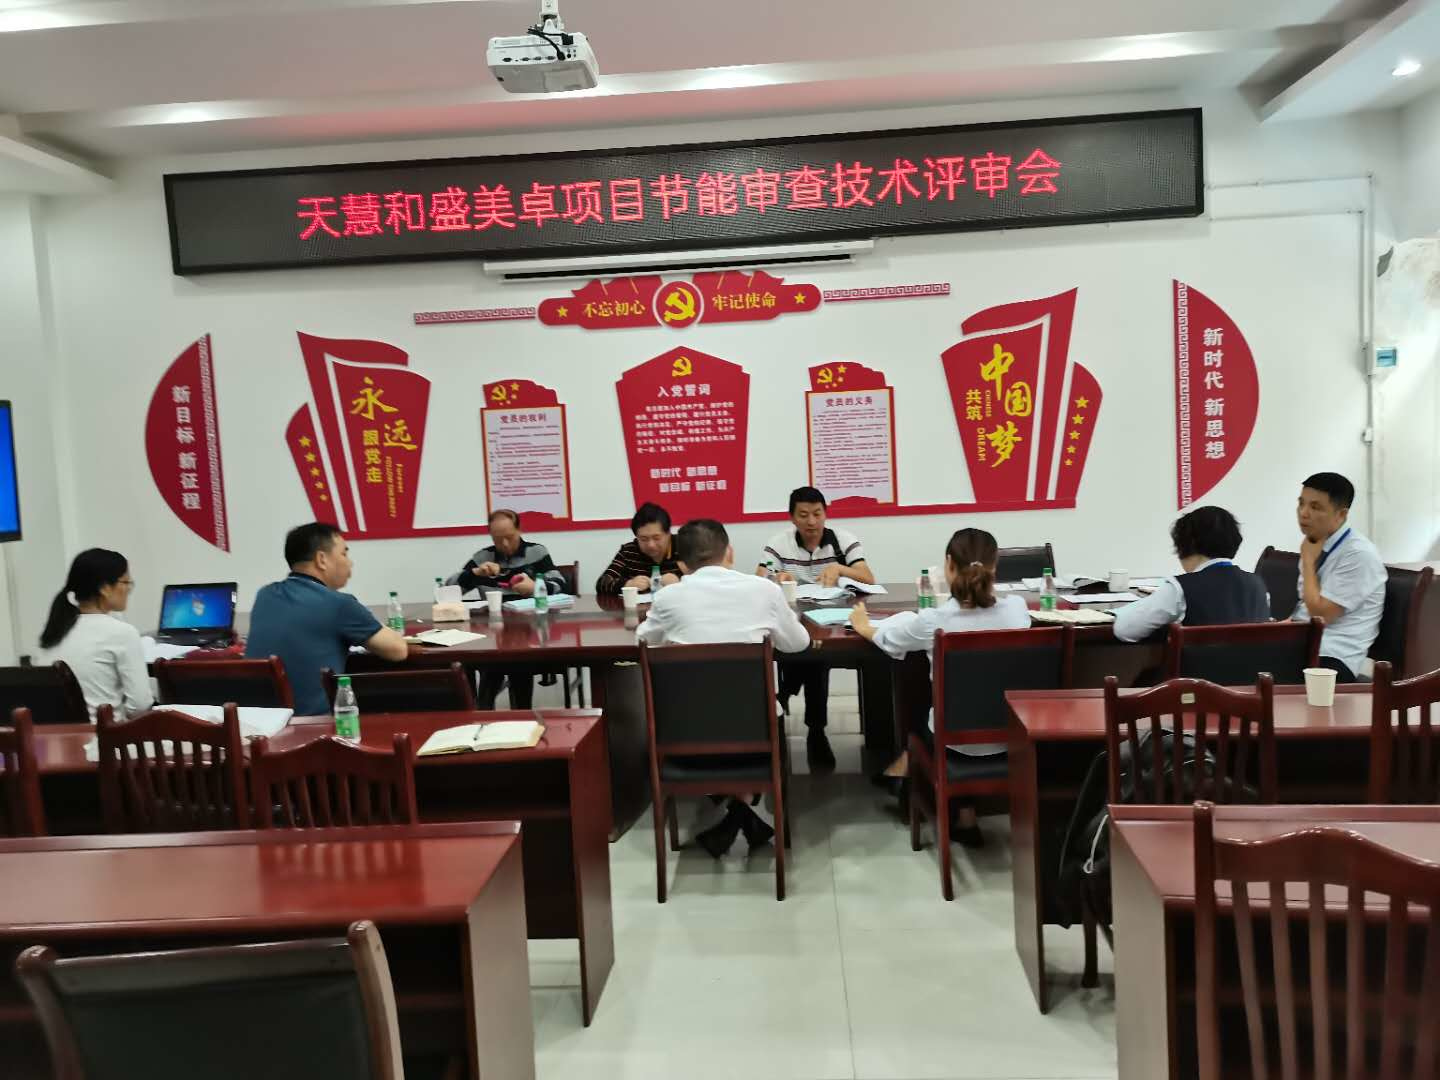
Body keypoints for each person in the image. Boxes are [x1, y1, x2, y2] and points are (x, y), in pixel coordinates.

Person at [639, 518, 811, 857]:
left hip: (686, 737)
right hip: (756, 733)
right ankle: (742, 809)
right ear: (729, 552)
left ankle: (736, 812)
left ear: (681, 563)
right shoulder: (764, 590)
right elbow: (798, 643)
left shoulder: (668, 598)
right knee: (754, 709)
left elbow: (642, 641)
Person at [850, 528, 1029, 847]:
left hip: (954, 742)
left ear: (949, 565)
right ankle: (950, 805)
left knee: (926, 714)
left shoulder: (934, 620)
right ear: (995, 566)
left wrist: (863, 625)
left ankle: (908, 778)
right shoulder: (1017, 611)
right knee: (960, 704)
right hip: (1015, 736)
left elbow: (888, 640)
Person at [757, 486, 875, 772]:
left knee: (813, 654)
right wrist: (777, 576)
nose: (811, 522)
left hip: (838, 620)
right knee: (813, 655)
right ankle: (816, 732)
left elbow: (868, 578)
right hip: (795, 620)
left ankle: (786, 694)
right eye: (803, 515)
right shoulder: (779, 543)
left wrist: (840, 569)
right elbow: (760, 578)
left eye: (817, 514)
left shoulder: (843, 540)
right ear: (792, 518)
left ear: (825, 514)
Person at [245, 522, 409, 716]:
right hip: (313, 726)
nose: (350, 563)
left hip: (259, 725)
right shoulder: (339, 604)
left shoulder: (265, 595)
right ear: (322, 559)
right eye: (344, 554)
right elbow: (398, 650)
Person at [452, 509, 569, 709]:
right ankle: (482, 714)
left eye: (509, 537)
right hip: (494, 632)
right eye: (498, 539)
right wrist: (475, 573)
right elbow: (450, 590)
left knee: (517, 661)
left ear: (519, 529)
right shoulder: (483, 557)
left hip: (530, 630)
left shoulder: (536, 552)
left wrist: (535, 587)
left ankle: (519, 712)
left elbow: (561, 585)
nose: (505, 544)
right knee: (485, 661)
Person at [1113, 505, 1270, 643]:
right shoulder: (1258, 585)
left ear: (1187, 544)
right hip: (1254, 668)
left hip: (1199, 668)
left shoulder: (1180, 588)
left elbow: (1125, 630)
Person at [35, 549, 153, 722]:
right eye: (125, 582)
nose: (129, 589)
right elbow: (140, 706)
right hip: (106, 735)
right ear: (105, 588)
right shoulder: (122, 633)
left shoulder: (54, 632)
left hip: (55, 735)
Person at [1291, 472, 1387, 683]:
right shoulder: (1316, 543)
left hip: (1332, 657)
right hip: (1304, 645)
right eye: (1301, 503)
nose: (1303, 513)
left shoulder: (1358, 554)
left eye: (1315, 507)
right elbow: (1305, 607)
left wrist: (1308, 563)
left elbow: (1320, 616)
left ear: (1341, 515)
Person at [595, 502, 683, 595]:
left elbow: (695, 581)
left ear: (668, 533)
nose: (651, 545)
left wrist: (681, 583)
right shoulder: (628, 551)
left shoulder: (684, 547)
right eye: (644, 539)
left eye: (656, 538)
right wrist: (628, 584)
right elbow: (602, 584)